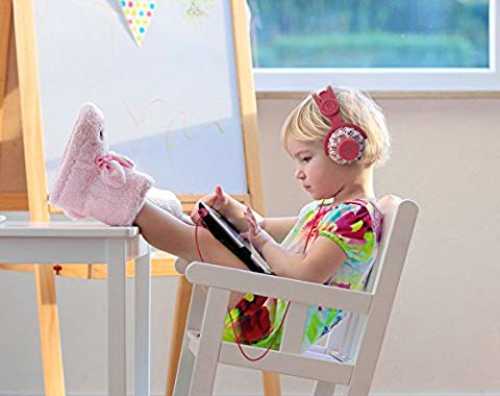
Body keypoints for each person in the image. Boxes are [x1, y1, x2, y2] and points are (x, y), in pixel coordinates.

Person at [50, 85, 389, 351]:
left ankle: (105, 192)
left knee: (202, 241)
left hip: (271, 322)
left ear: (345, 151)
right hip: (273, 308)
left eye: (305, 158)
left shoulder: (354, 221)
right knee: (201, 230)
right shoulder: (333, 211)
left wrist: (260, 241)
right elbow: (265, 227)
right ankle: (122, 194)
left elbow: (302, 274)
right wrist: (234, 213)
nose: (298, 172)